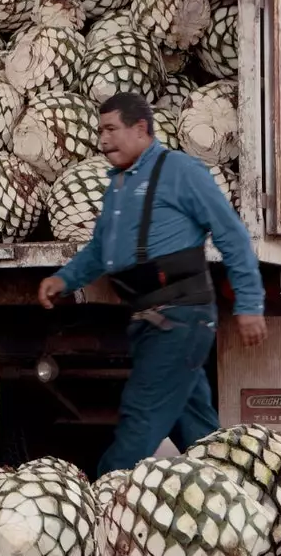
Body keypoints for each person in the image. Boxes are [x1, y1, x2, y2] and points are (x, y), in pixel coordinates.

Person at [37, 91, 266, 478]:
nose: (103, 139)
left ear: (141, 128)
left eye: (111, 129)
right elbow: (100, 249)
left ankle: (103, 502)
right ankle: (236, 495)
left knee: (140, 417)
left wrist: (248, 304)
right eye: (99, 130)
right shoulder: (119, 185)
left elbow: (232, 236)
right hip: (149, 321)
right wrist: (64, 278)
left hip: (180, 318)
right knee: (196, 427)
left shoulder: (181, 171)